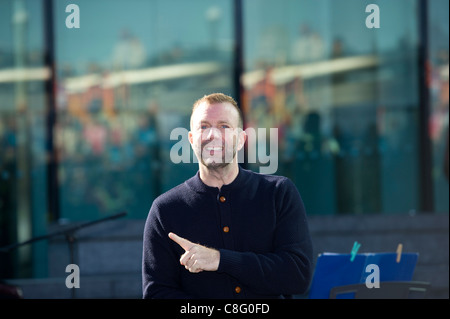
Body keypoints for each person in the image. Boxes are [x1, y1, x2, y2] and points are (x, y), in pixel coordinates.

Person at [142, 93, 313, 299]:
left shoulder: (278, 193)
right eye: (203, 127)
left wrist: (220, 260)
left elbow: (298, 275)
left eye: (224, 126)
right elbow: (156, 293)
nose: (212, 134)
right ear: (191, 139)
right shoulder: (165, 210)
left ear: (241, 140)